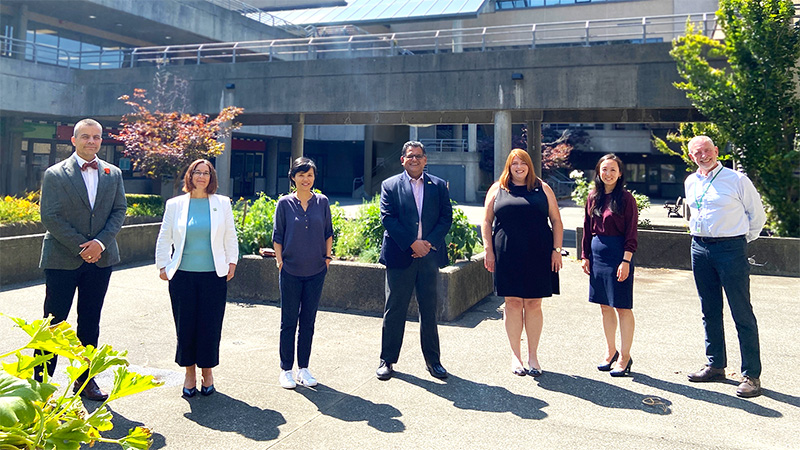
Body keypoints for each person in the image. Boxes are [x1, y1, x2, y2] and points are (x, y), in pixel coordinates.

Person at [35, 118, 127, 401]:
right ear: (73, 140)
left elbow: (119, 210)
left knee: (90, 321)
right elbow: (49, 215)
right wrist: (82, 246)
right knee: (53, 322)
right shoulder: (55, 173)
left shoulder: (113, 173)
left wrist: (99, 243)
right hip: (62, 258)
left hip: (101, 259)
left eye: (96, 137)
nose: (91, 141)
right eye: (85, 136)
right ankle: (41, 384)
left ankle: (85, 381)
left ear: (102, 140)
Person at [684, 135, 766, 398]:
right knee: (709, 309)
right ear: (691, 157)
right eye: (698, 153)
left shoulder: (736, 180)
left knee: (741, 312)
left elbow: (758, 216)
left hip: (730, 248)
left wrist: (740, 240)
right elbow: (692, 213)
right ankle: (715, 364)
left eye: (707, 150)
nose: (703, 155)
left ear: (716, 151)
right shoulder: (690, 181)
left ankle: (751, 375)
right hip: (699, 248)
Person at [155, 159, 238, 398]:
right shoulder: (175, 204)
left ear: (212, 178)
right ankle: (189, 373)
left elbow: (230, 236)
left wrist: (232, 261)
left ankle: (207, 372)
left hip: (214, 275)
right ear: (189, 176)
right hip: (182, 275)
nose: (201, 177)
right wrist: (162, 265)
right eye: (197, 172)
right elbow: (164, 237)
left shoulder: (221, 203)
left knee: (210, 326)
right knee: (185, 326)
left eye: (206, 173)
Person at [482, 149, 563, 377]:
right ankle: (516, 356)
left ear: (529, 166)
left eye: (523, 163)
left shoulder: (542, 188)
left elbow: (556, 221)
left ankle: (533, 356)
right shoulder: (498, 188)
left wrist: (556, 251)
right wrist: (488, 249)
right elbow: (486, 221)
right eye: (515, 163)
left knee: (534, 304)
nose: (519, 167)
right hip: (507, 253)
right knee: (513, 303)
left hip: (539, 253)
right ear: (509, 166)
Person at [376, 141, 453, 381]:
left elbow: (445, 218)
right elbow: (388, 219)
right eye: (410, 156)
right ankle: (387, 360)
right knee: (394, 309)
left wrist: (427, 244)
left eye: (419, 156)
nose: (415, 160)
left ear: (425, 159)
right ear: (402, 159)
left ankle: (433, 361)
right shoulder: (390, 185)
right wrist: (412, 243)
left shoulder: (438, 186)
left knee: (429, 309)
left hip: (428, 257)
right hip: (400, 256)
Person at [273, 157, 333, 389]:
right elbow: (278, 236)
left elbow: (328, 232)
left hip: (316, 270)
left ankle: (304, 369)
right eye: (301, 175)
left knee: (308, 321)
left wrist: (327, 259)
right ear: (293, 177)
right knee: (288, 321)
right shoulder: (284, 203)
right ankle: (286, 369)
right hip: (290, 270)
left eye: (309, 175)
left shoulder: (322, 202)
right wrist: (280, 262)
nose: (305, 179)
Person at [580, 154, 638, 377]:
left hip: (618, 255)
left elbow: (631, 232)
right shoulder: (593, 197)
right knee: (604, 305)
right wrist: (585, 256)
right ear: (598, 172)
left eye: (613, 170)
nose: (608, 173)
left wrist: (626, 260)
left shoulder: (626, 199)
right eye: (604, 169)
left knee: (622, 306)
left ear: (620, 173)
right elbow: (587, 228)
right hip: (597, 255)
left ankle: (625, 356)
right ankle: (610, 350)